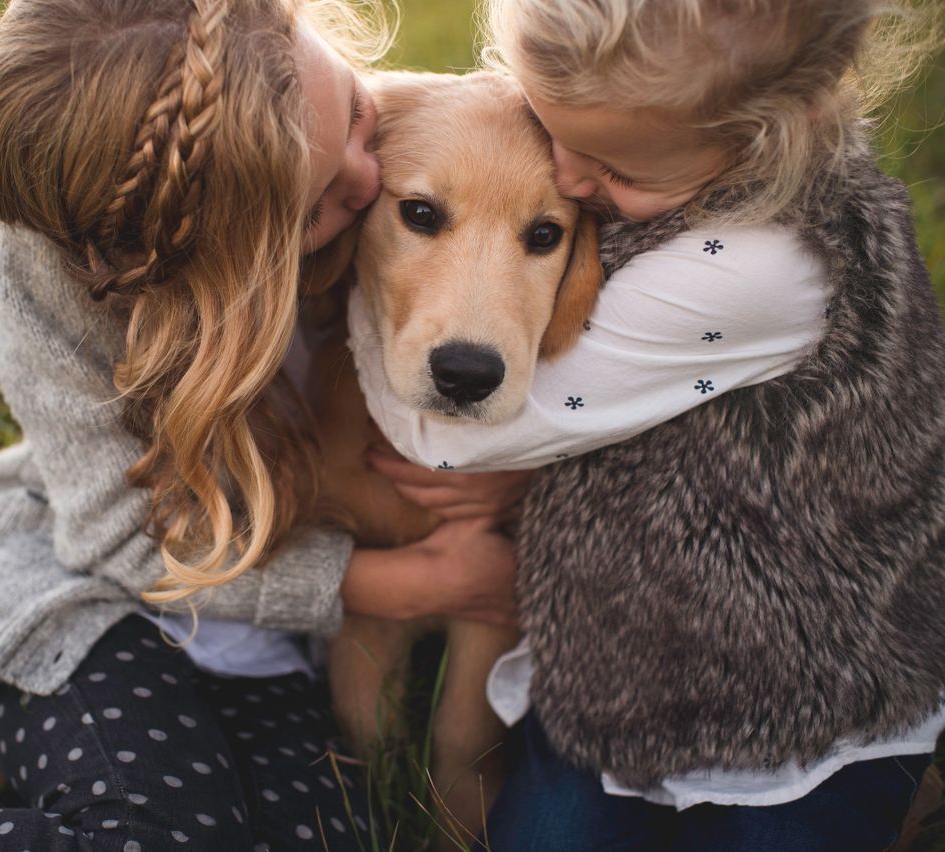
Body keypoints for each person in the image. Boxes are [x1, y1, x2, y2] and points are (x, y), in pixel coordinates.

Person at [0, 1, 533, 851]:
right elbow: (124, 545)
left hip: (270, 646)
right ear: (177, 252)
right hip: (95, 603)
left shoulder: (362, 138)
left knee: (331, 833)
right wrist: (416, 584)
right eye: (308, 215)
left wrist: (516, 453)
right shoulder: (55, 287)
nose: (370, 175)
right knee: (157, 834)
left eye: (353, 106)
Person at [350, 0, 945, 848]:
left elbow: (458, 438)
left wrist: (369, 305)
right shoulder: (661, 147)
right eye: (552, 129)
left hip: (807, 694)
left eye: (613, 165)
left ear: (764, 140)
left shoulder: (763, 269)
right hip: (612, 659)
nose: (571, 176)